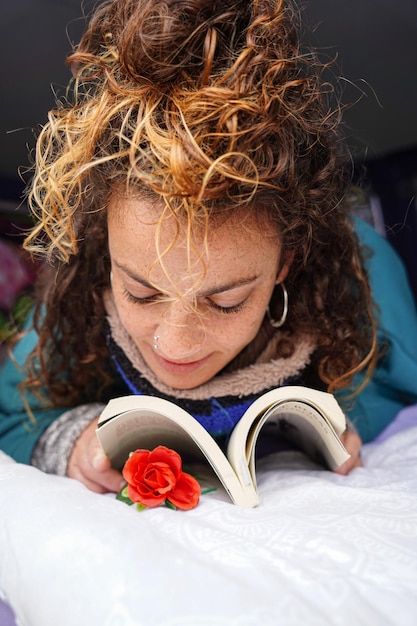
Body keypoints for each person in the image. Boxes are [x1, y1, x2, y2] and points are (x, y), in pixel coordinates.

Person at [1, 0, 417, 495]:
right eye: (141, 292)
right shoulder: (74, 297)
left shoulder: (363, 281)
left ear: (286, 263)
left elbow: (395, 387)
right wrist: (66, 441)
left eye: (226, 301)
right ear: (105, 250)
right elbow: (15, 412)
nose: (176, 348)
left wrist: (340, 424)